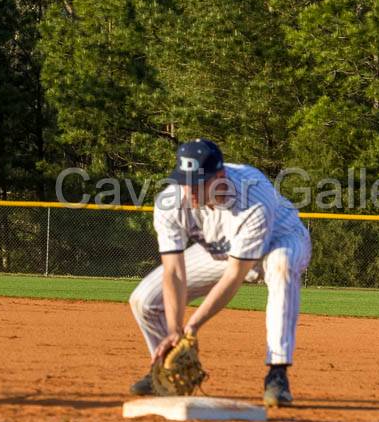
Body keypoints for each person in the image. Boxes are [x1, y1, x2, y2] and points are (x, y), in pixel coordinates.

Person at [128, 139, 312, 407]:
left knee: (281, 266)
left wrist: (191, 327)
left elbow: (235, 274)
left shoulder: (253, 198)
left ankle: (277, 372)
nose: (189, 190)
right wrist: (175, 330)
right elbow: (174, 271)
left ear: (220, 177)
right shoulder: (171, 201)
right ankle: (166, 370)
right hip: (222, 250)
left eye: (198, 182)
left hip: (279, 238)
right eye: (184, 180)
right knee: (143, 300)